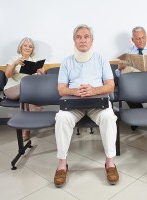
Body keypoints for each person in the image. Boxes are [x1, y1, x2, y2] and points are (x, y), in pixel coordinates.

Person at [54, 24, 119, 187]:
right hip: (74, 104)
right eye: (78, 37)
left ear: (92, 40)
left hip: (97, 102)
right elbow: (61, 89)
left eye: (86, 36)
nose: (82, 40)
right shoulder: (67, 62)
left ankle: (110, 162)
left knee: (109, 117)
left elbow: (110, 85)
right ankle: (62, 164)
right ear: (74, 41)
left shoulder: (101, 59)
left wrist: (93, 90)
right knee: (61, 118)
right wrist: (76, 92)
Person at [4, 37, 45, 141]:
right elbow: (8, 75)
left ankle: (25, 129)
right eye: (25, 45)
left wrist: (41, 73)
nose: (27, 48)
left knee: (26, 93)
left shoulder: (35, 61)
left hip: (27, 90)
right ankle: (36, 115)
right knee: (27, 90)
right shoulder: (14, 59)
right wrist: (15, 64)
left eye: (30, 46)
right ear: (20, 47)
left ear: (32, 49)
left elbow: (42, 78)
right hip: (12, 89)